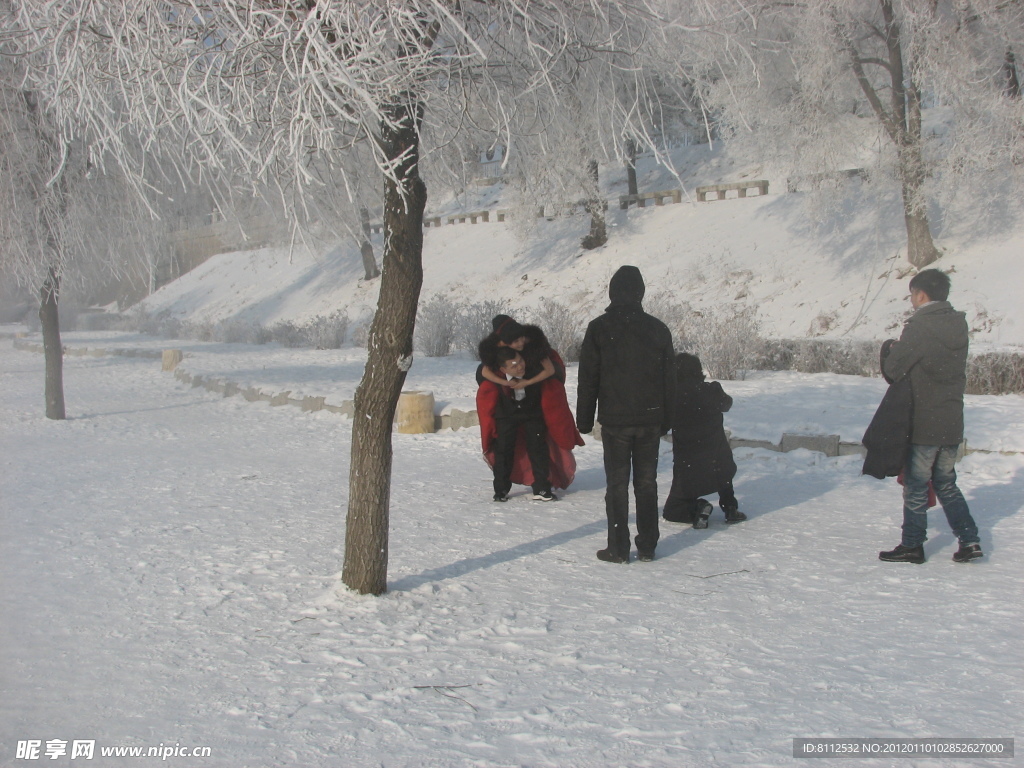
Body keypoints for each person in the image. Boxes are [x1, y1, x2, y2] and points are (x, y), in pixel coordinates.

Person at [877, 268, 983, 564]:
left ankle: (912, 544)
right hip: (951, 420)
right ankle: (970, 540)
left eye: (911, 294)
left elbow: (894, 370)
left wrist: (888, 351)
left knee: (916, 484)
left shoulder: (920, 326)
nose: (911, 300)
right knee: (946, 482)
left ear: (920, 294)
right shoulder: (958, 324)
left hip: (924, 421)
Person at [576, 266, 675, 563]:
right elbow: (670, 379)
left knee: (616, 485)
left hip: (615, 420)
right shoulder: (657, 328)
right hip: (649, 419)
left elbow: (588, 377)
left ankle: (618, 548)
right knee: (647, 484)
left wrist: (584, 419)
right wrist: (666, 419)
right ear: (641, 293)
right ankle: (647, 546)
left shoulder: (599, 328)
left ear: (612, 292)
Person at [477, 347, 584, 502]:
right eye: (513, 366)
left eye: (521, 361)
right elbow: (484, 370)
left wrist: (528, 381)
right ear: (503, 369)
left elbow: (551, 369)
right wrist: (505, 382)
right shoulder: (496, 376)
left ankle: (541, 487)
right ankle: (501, 489)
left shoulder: (533, 370)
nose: (520, 367)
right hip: (506, 416)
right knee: (503, 451)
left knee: (538, 449)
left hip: (532, 414)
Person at [663, 353, 746, 528]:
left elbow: (661, 423)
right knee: (723, 473)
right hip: (718, 460)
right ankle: (730, 508)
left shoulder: (672, 397)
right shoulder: (711, 390)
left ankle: (698, 507)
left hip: (689, 464)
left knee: (671, 511)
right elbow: (727, 404)